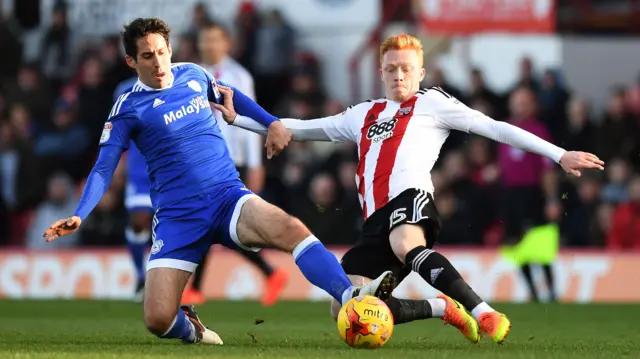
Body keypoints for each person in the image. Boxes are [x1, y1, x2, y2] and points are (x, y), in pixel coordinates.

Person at [215, 34, 605, 344]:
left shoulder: (433, 103)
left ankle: (483, 311)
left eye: (406, 69)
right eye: (391, 69)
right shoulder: (360, 114)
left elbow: (495, 127)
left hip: (411, 198)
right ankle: (440, 308)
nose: (399, 75)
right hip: (373, 223)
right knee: (343, 309)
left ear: (420, 74)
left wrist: (558, 154)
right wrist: (239, 121)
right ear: (381, 73)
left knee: (407, 244)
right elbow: (296, 128)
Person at [42, 17, 395, 346]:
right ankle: (191, 329)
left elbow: (229, 95)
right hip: (178, 218)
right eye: (147, 55)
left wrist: (272, 122)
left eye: (162, 51)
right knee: (157, 320)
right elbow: (104, 167)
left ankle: (351, 296)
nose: (158, 61)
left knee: (290, 228)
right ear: (131, 62)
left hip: (227, 197)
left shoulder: (192, 75)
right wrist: (81, 213)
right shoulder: (127, 108)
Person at [179, 21, 289, 307]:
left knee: (214, 223)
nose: (209, 45)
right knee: (213, 225)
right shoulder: (191, 75)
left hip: (231, 163)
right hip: (202, 162)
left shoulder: (239, 76)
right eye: (205, 40)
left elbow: (250, 120)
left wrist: (256, 165)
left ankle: (200, 288)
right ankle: (267, 273)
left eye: (215, 40)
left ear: (227, 43)